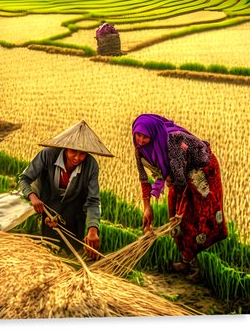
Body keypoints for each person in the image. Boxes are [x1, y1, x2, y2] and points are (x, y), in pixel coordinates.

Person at [132, 113, 228, 281]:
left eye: (145, 137)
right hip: (180, 175)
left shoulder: (174, 145)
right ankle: (186, 259)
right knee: (174, 216)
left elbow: (182, 184)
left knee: (194, 218)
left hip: (202, 172)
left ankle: (195, 267)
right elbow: (143, 179)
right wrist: (147, 208)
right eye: (137, 135)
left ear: (154, 134)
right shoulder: (140, 150)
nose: (140, 140)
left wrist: (181, 211)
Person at [19, 121, 114, 259]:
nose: (77, 157)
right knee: (49, 248)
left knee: (72, 249)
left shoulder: (91, 165)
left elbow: (93, 200)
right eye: (73, 151)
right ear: (65, 148)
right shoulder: (47, 155)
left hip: (75, 209)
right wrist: (33, 196)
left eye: (82, 153)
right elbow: (24, 178)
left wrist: (93, 229)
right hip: (49, 204)